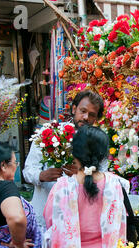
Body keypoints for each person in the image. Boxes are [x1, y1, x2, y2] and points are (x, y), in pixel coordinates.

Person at [42, 126, 129, 248]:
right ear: (104, 155)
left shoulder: (61, 188)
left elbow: (51, 222)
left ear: (75, 155)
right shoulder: (115, 185)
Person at [23, 90, 104, 234]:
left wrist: (82, 174)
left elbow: (103, 177)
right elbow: (28, 171)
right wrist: (41, 175)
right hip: (45, 217)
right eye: (83, 111)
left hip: (79, 222)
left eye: (92, 115)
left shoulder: (98, 143)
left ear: (96, 118)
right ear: (74, 109)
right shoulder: (48, 134)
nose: (86, 117)